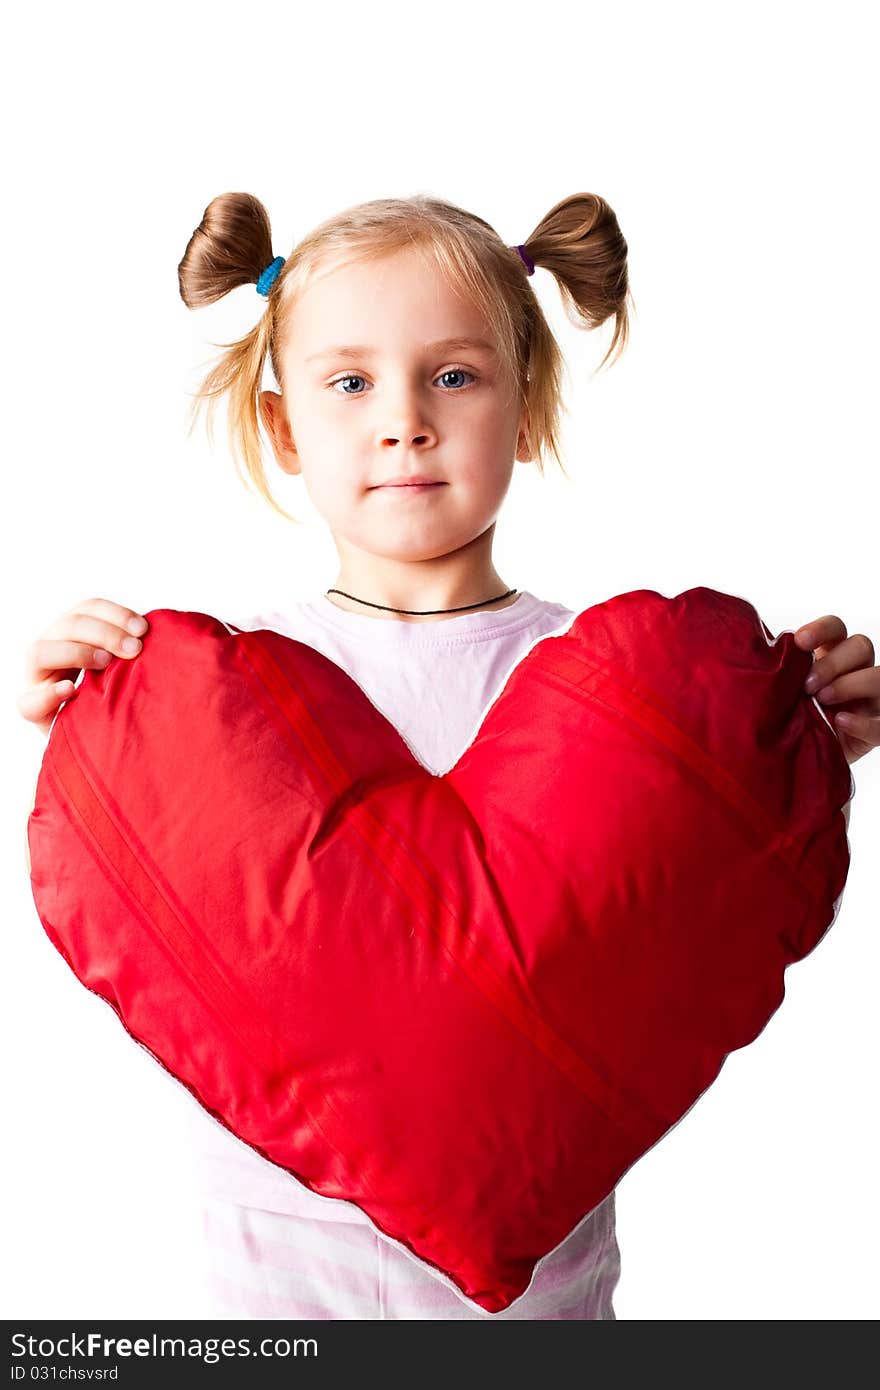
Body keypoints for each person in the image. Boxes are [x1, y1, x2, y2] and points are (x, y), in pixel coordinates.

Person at [17, 191, 878, 1320]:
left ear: (527, 407)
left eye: (455, 377)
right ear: (285, 431)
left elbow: (676, 887)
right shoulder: (218, 701)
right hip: (268, 1304)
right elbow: (144, 871)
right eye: (350, 382)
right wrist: (82, 720)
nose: (404, 422)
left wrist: (791, 745)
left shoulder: (619, 691)